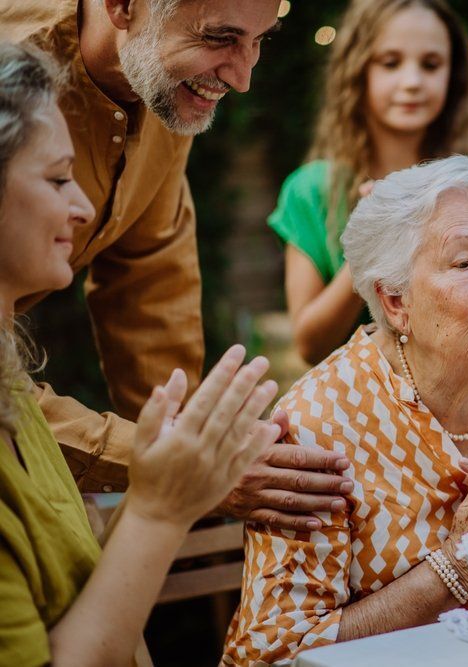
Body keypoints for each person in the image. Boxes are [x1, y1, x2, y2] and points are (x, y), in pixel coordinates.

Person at [0, 1, 351, 531]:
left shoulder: (162, 83)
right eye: (220, 38)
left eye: (260, 41)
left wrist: (198, 446)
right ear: (121, 5)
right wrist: (182, 467)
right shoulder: (12, 72)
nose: (243, 78)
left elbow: (150, 291)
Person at [0, 41, 280, 666]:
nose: (82, 208)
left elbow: (93, 596)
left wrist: (165, 476)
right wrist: (160, 509)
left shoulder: (11, 387)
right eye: (55, 178)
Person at [224, 156, 468, 664]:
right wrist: (456, 567)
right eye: (465, 262)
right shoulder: (320, 424)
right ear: (395, 302)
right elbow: (276, 652)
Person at [275, 0, 468, 365]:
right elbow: (310, 346)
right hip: (354, 406)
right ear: (357, 71)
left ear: (454, 77)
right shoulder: (311, 189)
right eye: (390, 63)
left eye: (431, 65)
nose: (412, 81)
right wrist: (371, 246)